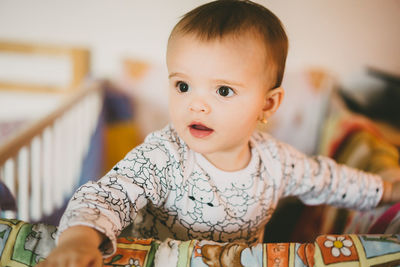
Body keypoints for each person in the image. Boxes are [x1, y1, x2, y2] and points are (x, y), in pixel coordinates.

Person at [38, 1, 400, 266]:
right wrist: (79, 239)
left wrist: (385, 188)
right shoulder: (163, 155)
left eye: (223, 91)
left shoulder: (277, 162)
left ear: (268, 106)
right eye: (182, 86)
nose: (196, 105)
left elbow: (329, 180)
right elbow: (109, 195)